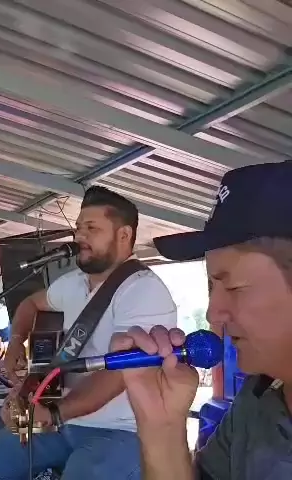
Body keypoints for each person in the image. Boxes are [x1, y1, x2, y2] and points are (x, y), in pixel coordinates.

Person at [0, 186, 177, 480]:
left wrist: (55, 413)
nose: (79, 236)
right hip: (66, 422)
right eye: (78, 228)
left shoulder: (143, 289)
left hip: (123, 430)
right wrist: (16, 341)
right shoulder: (73, 283)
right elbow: (30, 304)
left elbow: (118, 375)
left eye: (92, 228)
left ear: (124, 235)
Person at [113, 161, 292, 480]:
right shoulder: (255, 400)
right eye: (211, 287)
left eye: (234, 286)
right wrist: (162, 428)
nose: (213, 313)